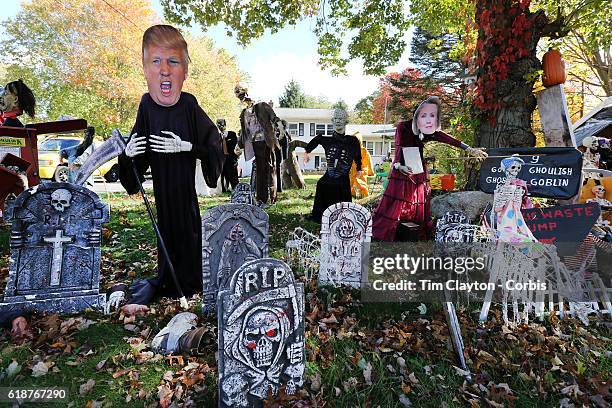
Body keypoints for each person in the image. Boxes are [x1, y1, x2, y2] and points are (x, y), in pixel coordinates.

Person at [109, 25, 224, 314]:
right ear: (145, 68)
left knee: (188, 228)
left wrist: (185, 147)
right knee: (167, 230)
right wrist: (128, 156)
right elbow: (137, 153)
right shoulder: (147, 106)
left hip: (185, 191)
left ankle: (191, 279)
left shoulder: (188, 104)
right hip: (162, 190)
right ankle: (169, 279)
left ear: (184, 69)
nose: (164, 70)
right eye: (156, 61)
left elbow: (212, 144)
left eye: (172, 61)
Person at [372, 96, 487, 241]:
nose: (428, 119)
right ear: (417, 114)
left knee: (417, 201)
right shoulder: (404, 127)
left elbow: (447, 138)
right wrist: (399, 166)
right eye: (424, 115)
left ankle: (412, 232)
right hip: (401, 169)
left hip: (418, 169)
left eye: (432, 115)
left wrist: (470, 149)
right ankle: (392, 231)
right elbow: (399, 149)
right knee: (398, 202)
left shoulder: (428, 130)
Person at [303, 107, 362, 222]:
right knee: (322, 183)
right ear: (332, 120)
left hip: (343, 177)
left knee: (340, 186)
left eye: (341, 118)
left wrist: (359, 168)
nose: (338, 121)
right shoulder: (327, 140)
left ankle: (342, 216)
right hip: (329, 175)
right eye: (336, 118)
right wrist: (307, 152)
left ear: (346, 121)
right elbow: (317, 139)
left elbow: (358, 155)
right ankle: (321, 216)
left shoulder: (352, 141)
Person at [235, 84, 285, 205]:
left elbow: (274, 118)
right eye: (240, 96)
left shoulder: (262, 106)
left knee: (270, 168)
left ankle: (271, 198)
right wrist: (239, 145)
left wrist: (281, 128)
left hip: (267, 142)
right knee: (260, 170)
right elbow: (244, 132)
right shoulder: (244, 113)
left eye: (243, 94)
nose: (243, 98)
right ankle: (261, 199)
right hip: (255, 144)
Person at [349, 131, 374, 198]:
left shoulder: (364, 151)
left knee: (361, 183)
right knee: (350, 182)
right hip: (353, 170)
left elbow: (369, 161)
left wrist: (370, 171)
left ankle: (365, 195)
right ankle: (352, 194)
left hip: (362, 170)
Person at [217, 118, 239, 192]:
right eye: (218, 124)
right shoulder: (217, 137)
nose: (220, 126)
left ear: (225, 125)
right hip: (221, 159)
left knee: (233, 175)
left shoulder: (232, 134)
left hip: (231, 158)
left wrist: (235, 158)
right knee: (223, 175)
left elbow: (235, 147)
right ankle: (224, 189)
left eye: (222, 124)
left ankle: (236, 189)